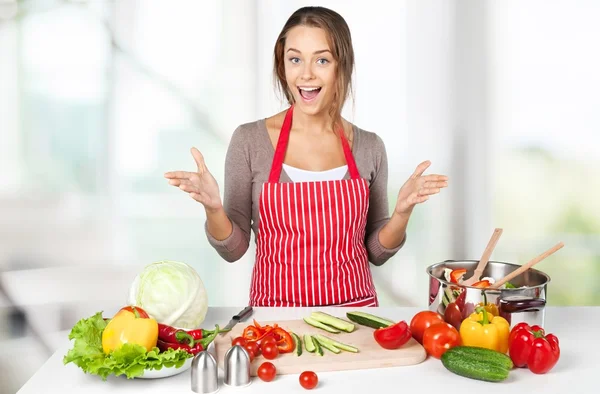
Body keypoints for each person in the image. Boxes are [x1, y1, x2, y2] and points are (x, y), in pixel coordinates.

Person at [164, 6, 448, 307]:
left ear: (342, 66)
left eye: (322, 60)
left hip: (355, 319)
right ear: (282, 64)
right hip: (274, 323)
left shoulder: (369, 147)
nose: (307, 74)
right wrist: (213, 208)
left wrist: (402, 213)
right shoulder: (249, 141)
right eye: (295, 59)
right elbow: (233, 250)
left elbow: (376, 253)